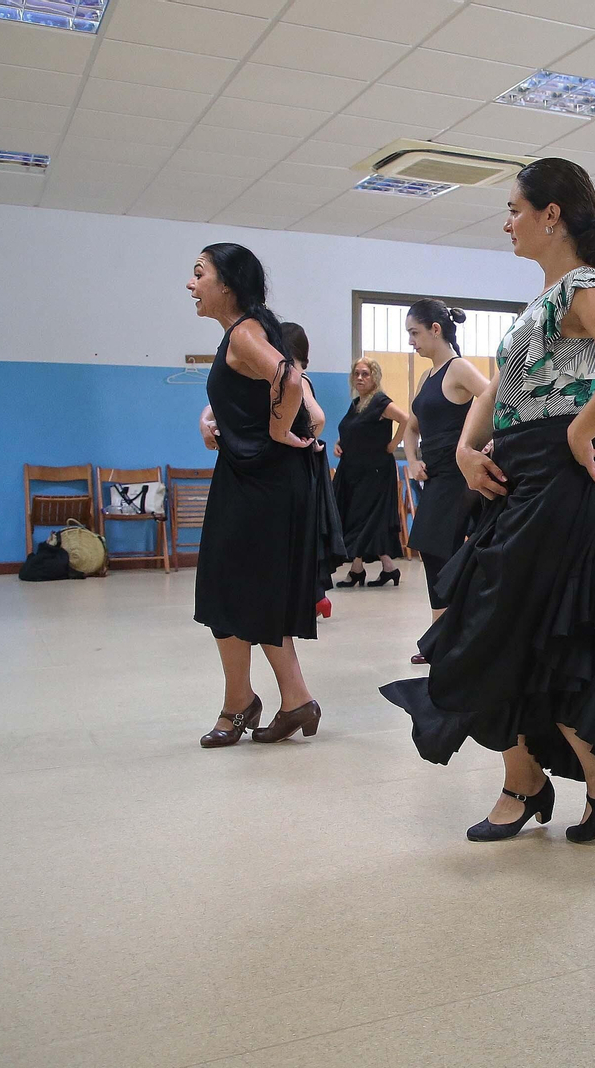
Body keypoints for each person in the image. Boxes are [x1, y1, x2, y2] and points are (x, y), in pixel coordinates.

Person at [380, 158, 595, 843]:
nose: (508, 221)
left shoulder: (582, 287)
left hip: (559, 483)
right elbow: (497, 390)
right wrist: (463, 448)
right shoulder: (547, 299)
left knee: (509, 634)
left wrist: (581, 429)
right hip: (523, 481)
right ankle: (579, 785)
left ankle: (541, 784)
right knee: (511, 637)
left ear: (553, 214)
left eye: (516, 208)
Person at [188, 243, 324, 748]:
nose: (191, 284)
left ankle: (239, 702)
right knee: (254, 596)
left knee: (223, 594)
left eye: (199, 273)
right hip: (257, 481)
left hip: (256, 485)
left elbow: (290, 379)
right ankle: (295, 701)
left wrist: (278, 429)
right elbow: (257, 389)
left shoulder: (244, 333)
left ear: (226, 283)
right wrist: (213, 417)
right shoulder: (247, 333)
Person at [400, 299, 489, 662]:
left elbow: (497, 404)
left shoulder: (460, 369)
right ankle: (444, 632)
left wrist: (479, 446)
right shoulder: (428, 376)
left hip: (459, 476)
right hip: (434, 474)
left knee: (442, 550)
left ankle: (449, 635)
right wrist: (411, 459)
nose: (411, 342)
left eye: (415, 333)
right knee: (435, 552)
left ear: (436, 330)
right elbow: (411, 426)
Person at [281, 321, 346, 621]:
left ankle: (308, 593)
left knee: (297, 531)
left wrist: (299, 439)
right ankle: (314, 594)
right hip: (306, 459)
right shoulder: (296, 377)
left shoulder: (293, 378)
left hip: (295, 461)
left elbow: (317, 418)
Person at [333, 357, 408, 587]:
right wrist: (339, 443)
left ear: (374, 376)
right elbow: (353, 431)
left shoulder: (380, 402)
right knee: (361, 518)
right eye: (356, 374)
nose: (360, 378)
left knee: (362, 517)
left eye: (365, 374)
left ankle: (357, 571)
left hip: (374, 471)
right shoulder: (357, 404)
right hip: (354, 470)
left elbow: (405, 419)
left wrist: (394, 445)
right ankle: (388, 568)